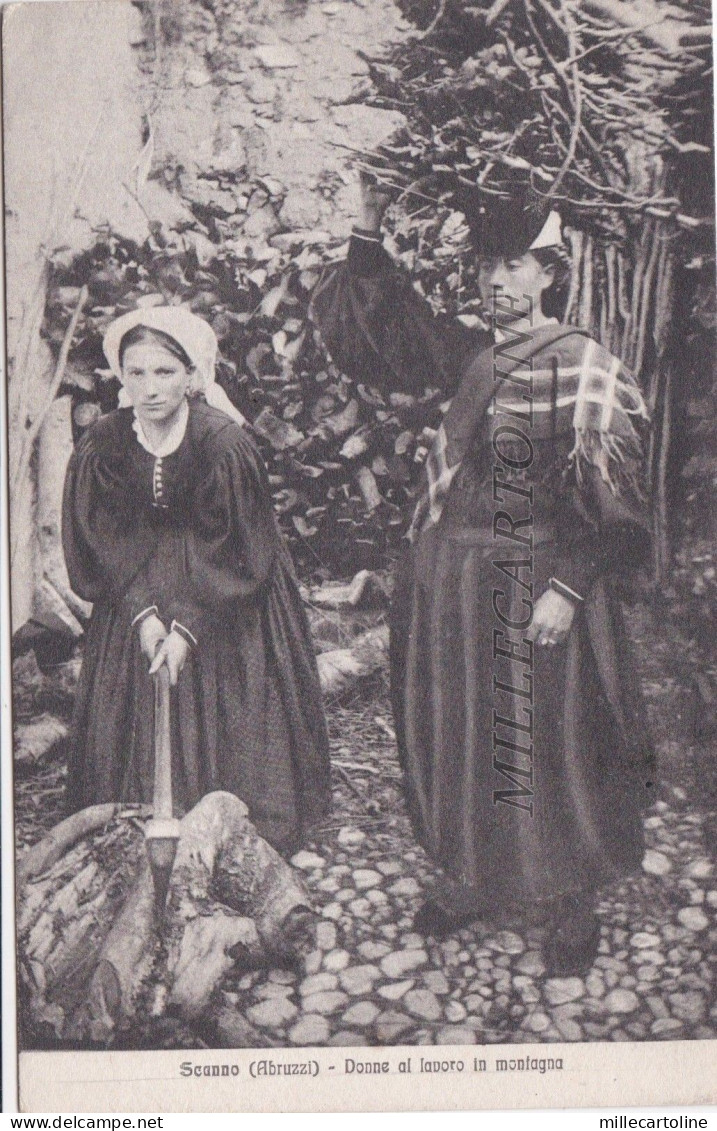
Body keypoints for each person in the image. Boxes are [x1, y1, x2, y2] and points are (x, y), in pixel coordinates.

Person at [311, 178, 655, 975]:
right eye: (485, 266)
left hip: (536, 582)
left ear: (549, 272)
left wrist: (569, 589)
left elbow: (618, 504)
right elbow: (377, 339)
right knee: (461, 727)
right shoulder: (470, 352)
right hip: (451, 580)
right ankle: (478, 871)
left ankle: (568, 893)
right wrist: (367, 224)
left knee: (549, 739)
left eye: (513, 265)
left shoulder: (583, 366)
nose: (495, 281)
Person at [62, 305, 331, 853]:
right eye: (135, 373)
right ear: (120, 376)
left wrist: (186, 628)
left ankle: (231, 825)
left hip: (228, 583)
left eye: (164, 372)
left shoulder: (222, 443)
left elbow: (239, 546)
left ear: (192, 375)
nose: (150, 388)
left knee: (226, 693)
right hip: (134, 579)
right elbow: (103, 537)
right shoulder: (106, 443)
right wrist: (141, 615)